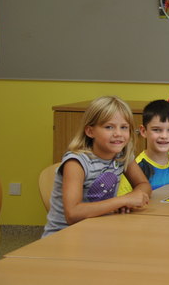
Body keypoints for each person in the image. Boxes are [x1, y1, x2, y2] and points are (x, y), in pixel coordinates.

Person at [43, 96, 151, 237]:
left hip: (99, 231)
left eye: (124, 127)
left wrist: (132, 197)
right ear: (90, 131)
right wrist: (123, 200)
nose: (118, 134)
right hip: (64, 237)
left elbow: (143, 184)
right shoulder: (76, 163)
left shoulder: (122, 155)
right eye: (109, 127)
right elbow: (73, 214)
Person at [117, 100, 169, 194]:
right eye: (157, 130)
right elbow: (123, 202)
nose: (164, 136)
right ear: (143, 131)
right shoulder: (135, 167)